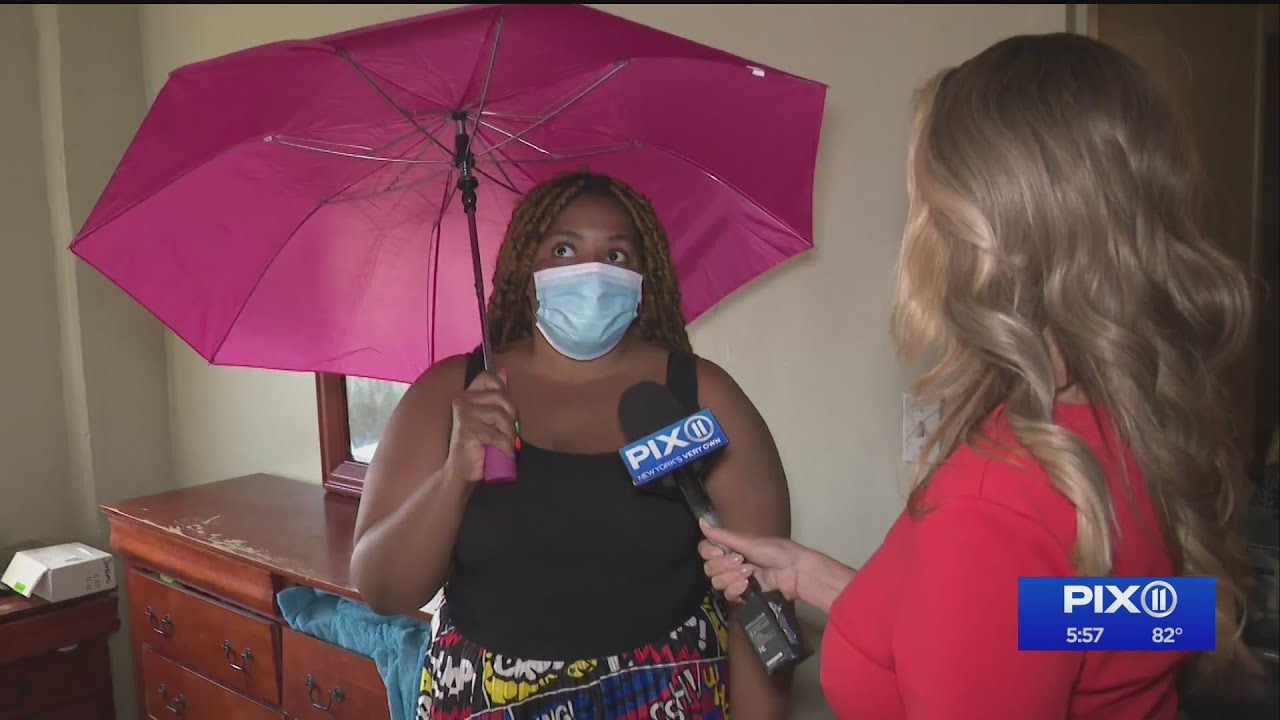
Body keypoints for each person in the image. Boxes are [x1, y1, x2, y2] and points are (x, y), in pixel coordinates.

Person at [699, 33, 1263, 719]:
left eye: (925, 200)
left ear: (977, 238)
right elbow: (1105, 631)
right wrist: (808, 574)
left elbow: (1012, 604)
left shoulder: (995, 497)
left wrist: (969, 560)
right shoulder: (1134, 428)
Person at [350, 171, 794, 719]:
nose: (591, 274)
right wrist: (453, 477)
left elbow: (762, 603)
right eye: (563, 249)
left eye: (615, 255)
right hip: (481, 700)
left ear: (644, 275)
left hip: (665, 698)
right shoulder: (449, 393)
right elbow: (383, 588)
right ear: (526, 270)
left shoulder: (702, 395)